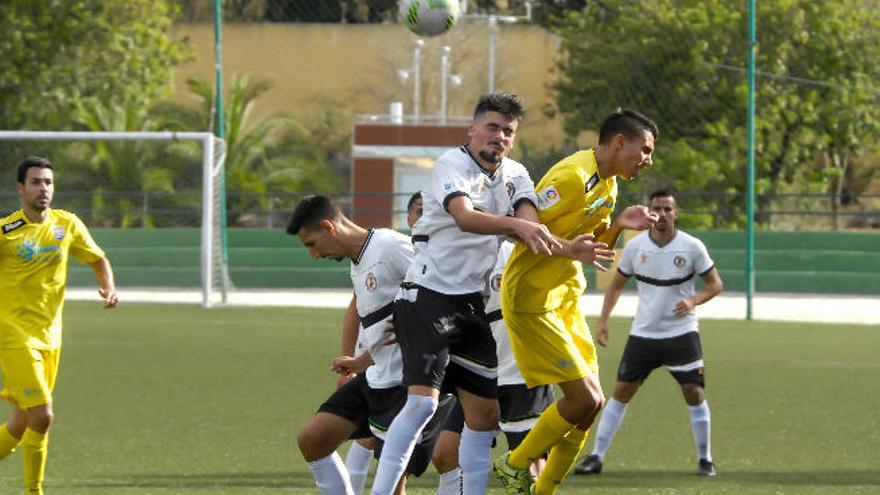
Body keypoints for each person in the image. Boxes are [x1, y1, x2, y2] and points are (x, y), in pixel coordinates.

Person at [369, 92, 566, 495]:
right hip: (428, 296)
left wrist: (560, 242)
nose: (500, 137)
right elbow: (464, 216)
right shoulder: (451, 164)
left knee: (485, 414)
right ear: (473, 130)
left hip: (469, 307)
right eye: (493, 127)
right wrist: (517, 228)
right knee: (423, 405)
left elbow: (528, 215)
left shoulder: (515, 173)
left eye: (508, 131)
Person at [494, 109, 661, 495]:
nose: (649, 159)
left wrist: (619, 224)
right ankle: (514, 464)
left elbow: (594, 251)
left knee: (592, 406)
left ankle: (543, 490)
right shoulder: (571, 177)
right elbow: (523, 232)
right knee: (582, 397)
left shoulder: (609, 185)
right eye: (646, 149)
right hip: (532, 301)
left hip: (564, 299)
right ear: (620, 142)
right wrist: (569, 248)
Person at [291, 195, 450, 495]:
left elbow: (439, 292)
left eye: (311, 244)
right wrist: (360, 360)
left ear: (328, 227)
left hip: (408, 385)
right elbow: (382, 324)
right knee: (313, 440)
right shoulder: (358, 261)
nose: (314, 254)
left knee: (393, 486)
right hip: (375, 376)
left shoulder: (389, 246)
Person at [574, 189, 723, 477]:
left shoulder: (692, 247)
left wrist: (692, 301)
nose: (663, 214)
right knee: (620, 393)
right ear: (650, 213)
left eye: (668, 209)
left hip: (682, 334)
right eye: (657, 209)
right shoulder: (635, 247)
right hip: (643, 335)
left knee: (694, 392)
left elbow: (715, 284)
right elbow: (615, 285)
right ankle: (596, 457)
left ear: (676, 213)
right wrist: (603, 321)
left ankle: (705, 459)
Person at [0, 156, 119, 495]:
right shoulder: (5, 231)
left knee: (22, 421)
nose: (44, 189)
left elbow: (97, 259)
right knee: (43, 415)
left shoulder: (67, 225)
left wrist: (109, 287)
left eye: (49, 182)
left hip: (51, 337)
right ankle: (34, 491)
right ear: (21, 188)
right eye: (36, 182)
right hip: (12, 335)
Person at [431, 239, 555, 495]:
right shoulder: (452, 260)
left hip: (521, 374)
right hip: (477, 376)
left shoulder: (514, 254)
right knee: (445, 455)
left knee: (531, 467)